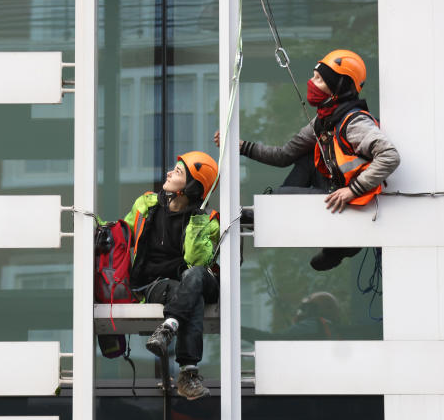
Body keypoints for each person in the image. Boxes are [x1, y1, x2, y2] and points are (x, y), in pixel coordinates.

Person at [216, 49, 400, 271]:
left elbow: (389, 156)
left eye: (319, 79)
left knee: (284, 196)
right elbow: (285, 155)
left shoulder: (354, 123)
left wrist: (353, 190)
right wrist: (243, 147)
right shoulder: (323, 121)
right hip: (336, 189)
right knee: (305, 160)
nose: (311, 82)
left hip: (351, 198)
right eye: (314, 76)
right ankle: (287, 213)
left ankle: (340, 245)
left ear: (338, 86)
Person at [123, 151, 220, 400]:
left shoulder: (207, 221)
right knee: (189, 295)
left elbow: (199, 261)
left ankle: (169, 326)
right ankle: (188, 373)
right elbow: (123, 235)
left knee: (194, 276)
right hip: (155, 284)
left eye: (177, 172)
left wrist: (197, 223)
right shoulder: (147, 205)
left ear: (190, 186)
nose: (168, 173)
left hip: (198, 278)